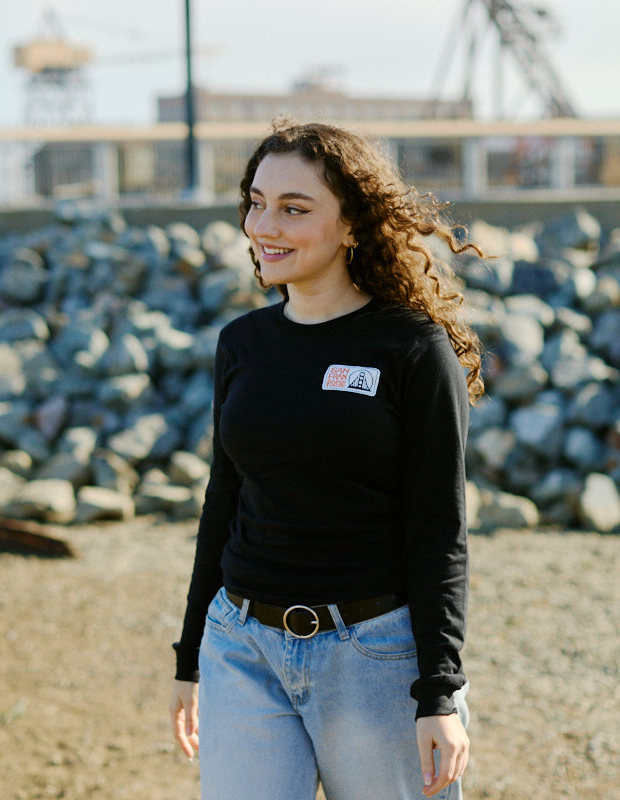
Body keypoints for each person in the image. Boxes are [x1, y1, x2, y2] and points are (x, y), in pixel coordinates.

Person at [169, 119, 484, 800]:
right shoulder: (243, 344)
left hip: (374, 657)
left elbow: (439, 530)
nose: (264, 226)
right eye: (256, 202)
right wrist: (190, 658)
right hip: (242, 647)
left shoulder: (411, 349)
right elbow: (222, 503)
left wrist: (438, 690)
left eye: (294, 208)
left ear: (352, 225)